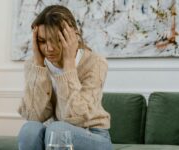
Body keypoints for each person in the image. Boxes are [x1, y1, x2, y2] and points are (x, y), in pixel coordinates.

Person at [17, 5, 112, 150]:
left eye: (57, 40)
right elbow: (33, 116)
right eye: (42, 41)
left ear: (73, 36)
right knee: (29, 130)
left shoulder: (96, 63)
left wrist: (68, 65)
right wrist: (38, 66)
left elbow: (75, 117)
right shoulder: (33, 65)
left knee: (59, 131)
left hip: (92, 135)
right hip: (53, 134)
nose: (49, 48)